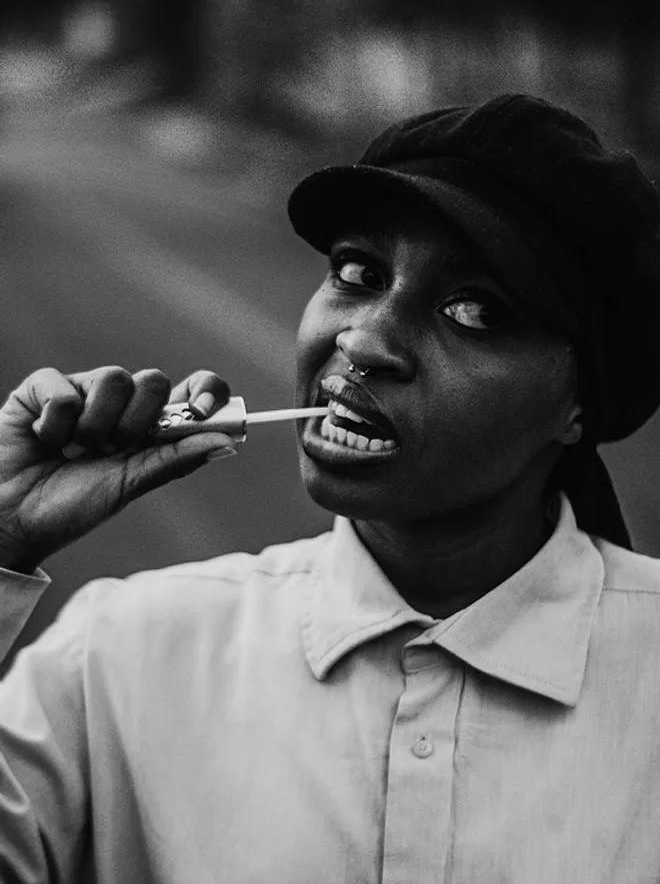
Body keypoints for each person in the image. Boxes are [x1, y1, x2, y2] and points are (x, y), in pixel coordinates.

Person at [1, 93, 660, 884]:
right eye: (359, 273)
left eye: (473, 311)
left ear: (580, 403)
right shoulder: (118, 657)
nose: (365, 338)